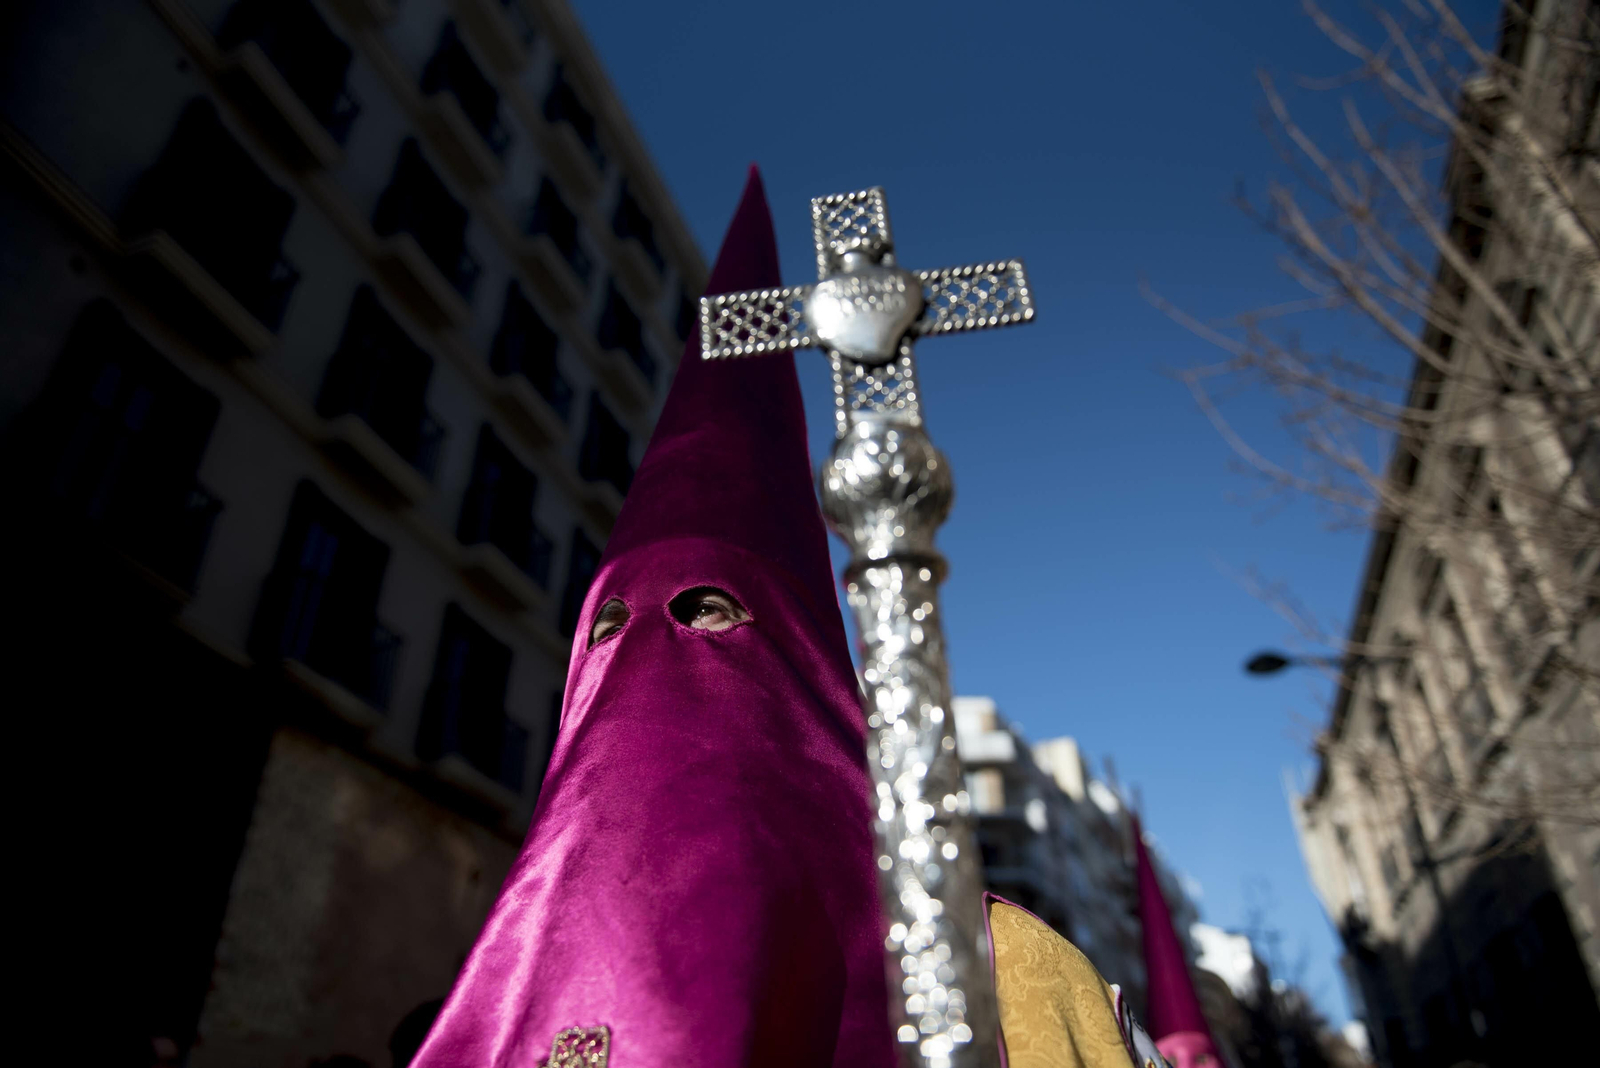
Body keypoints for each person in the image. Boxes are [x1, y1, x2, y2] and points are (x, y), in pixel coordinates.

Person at [408, 168, 895, 1068]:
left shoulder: (990, 969)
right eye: (607, 629)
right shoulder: (503, 963)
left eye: (706, 612)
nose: (647, 655)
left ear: (803, 672)